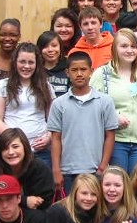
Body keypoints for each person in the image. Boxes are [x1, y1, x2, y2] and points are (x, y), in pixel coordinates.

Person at [90, 28, 137, 174]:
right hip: (114, 142)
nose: (129, 50)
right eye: (124, 46)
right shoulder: (102, 74)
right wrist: (113, 116)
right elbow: (90, 106)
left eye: (133, 46)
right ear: (114, 49)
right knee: (118, 188)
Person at [47, 51, 119, 195]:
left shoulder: (105, 101)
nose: (79, 74)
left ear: (91, 71)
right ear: (67, 72)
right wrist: (56, 170)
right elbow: (55, 138)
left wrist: (103, 166)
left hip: (95, 170)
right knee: (70, 213)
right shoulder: (59, 104)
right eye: (74, 70)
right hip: (68, 171)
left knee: (94, 211)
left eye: (83, 69)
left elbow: (110, 136)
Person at [0, 41, 55, 166]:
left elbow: (53, 120)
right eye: (22, 62)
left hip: (40, 152)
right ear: (15, 62)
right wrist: (16, 141)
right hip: (10, 150)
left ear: (37, 64)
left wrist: (49, 137)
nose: (26, 66)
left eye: (31, 62)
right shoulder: (2, 85)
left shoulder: (46, 87)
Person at [0, 128, 55, 212]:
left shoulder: (39, 168)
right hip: (0, 217)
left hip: (34, 216)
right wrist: (23, 201)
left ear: (24, 147)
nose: (11, 152)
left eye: (15, 147)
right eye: (5, 148)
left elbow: (43, 201)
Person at [38, 30, 70, 97]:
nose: (50, 50)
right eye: (45, 46)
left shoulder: (69, 67)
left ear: (60, 47)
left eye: (54, 46)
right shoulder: (36, 69)